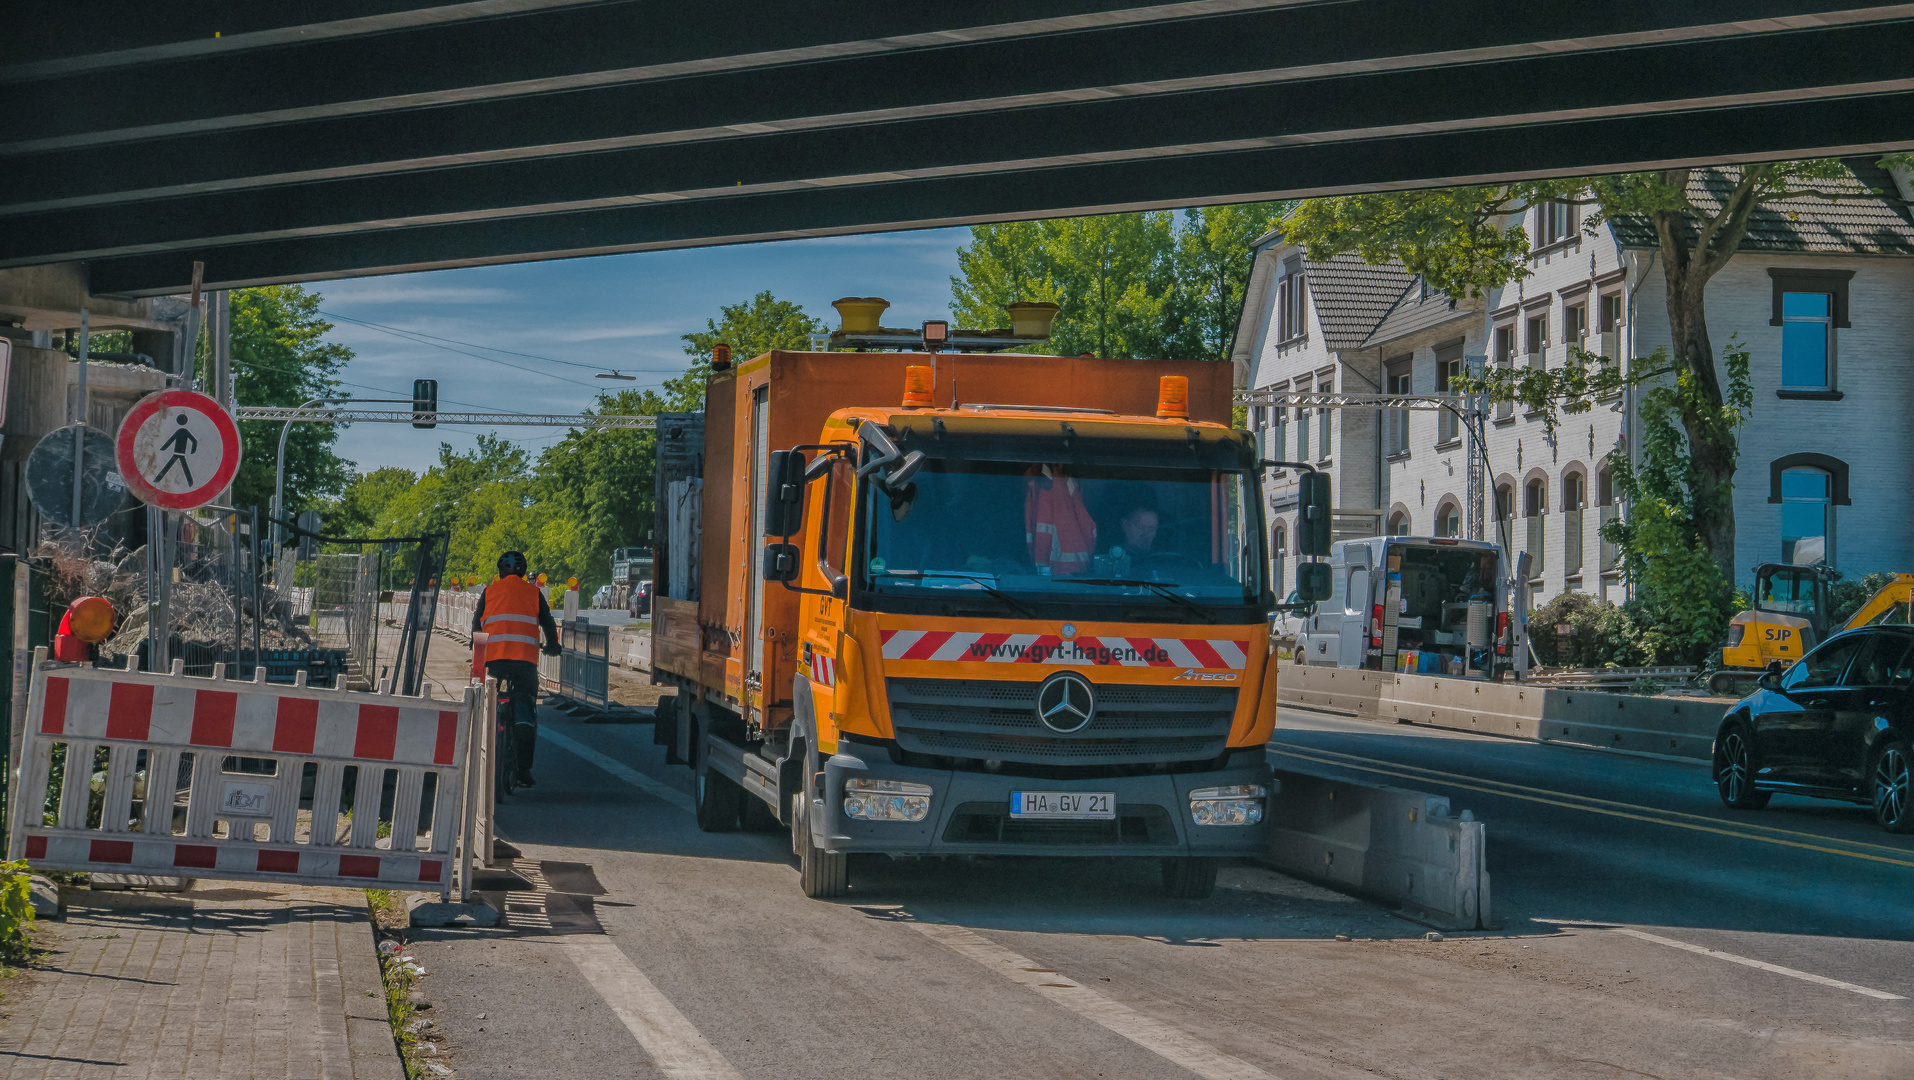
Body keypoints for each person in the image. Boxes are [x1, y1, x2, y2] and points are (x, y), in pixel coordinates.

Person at [472, 551, 562, 788]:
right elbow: (548, 622)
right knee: (526, 707)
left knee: (488, 702)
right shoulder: (534, 593)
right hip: (524, 663)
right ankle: (523, 771)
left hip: (494, 661)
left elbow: (476, 623)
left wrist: (477, 653)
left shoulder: (489, 592)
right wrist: (552, 646)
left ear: (500, 571)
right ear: (523, 572)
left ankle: (484, 750)